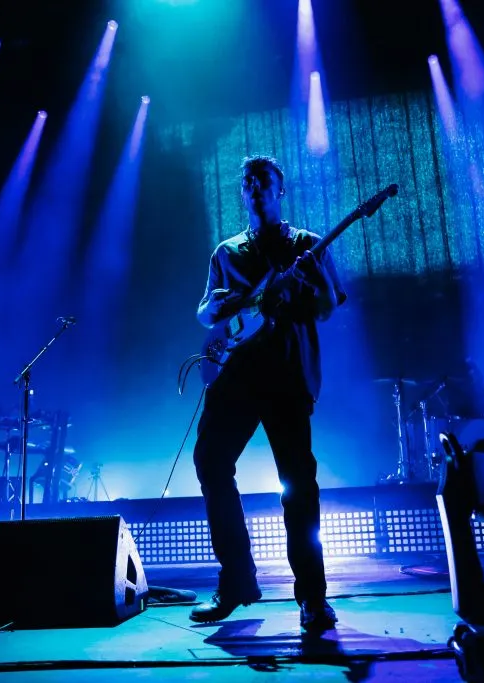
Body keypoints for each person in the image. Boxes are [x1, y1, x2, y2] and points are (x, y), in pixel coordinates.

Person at [189, 155, 347, 633]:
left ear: (281, 191)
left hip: (286, 376)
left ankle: (312, 600)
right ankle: (237, 580)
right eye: (249, 182)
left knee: (298, 483)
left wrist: (315, 281)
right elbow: (203, 313)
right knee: (210, 462)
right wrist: (224, 305)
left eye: (265, 181)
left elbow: (325, 309)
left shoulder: (307, 245)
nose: (256, 187)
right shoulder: (226, 251)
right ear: (243, 193)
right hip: (236, 375)